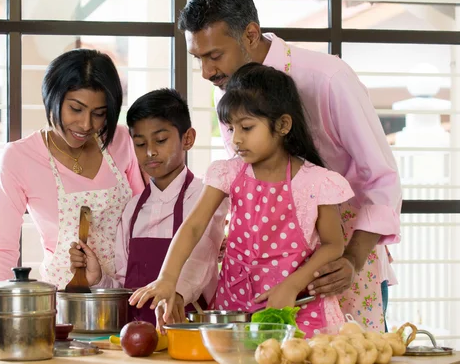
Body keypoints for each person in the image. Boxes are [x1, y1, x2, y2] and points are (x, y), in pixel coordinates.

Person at [173, 0, 402, 330]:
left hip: (343, 257)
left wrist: (352, 260)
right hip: (269, 281)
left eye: (214, 56)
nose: (206, 72)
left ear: (250, 34)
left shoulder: (328, 78)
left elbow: (382, 180)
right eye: (198, 58)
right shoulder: (230, 96)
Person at [130, 64, 355, 337]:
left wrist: (293, 284)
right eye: (231, 128)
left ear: (283, 125)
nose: (236, 139)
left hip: (299, 306)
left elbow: (333, 245)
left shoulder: (317, 182)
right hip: (237, 307)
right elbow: (192, 228)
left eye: (246, 127)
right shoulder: (229, 173)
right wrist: (167, 278)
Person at [0, 49, 144, 343]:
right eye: (75, 109)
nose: (86, 125)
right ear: (52, 97)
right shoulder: (20, 157)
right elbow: (5, 249)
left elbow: (146, 222)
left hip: (127, 302)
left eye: (99, 114)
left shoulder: (121, 141)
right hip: (62, 314)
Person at [69, 88, 228, 327]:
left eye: (161, 140)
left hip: (186, 327)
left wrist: (176, 293)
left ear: (187, 138)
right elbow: (125, 287)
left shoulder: (205, 197)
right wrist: (98, 278)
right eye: (141, 143)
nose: (150, 151)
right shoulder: (132, 210)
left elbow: (201, 261)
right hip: (135, 333)